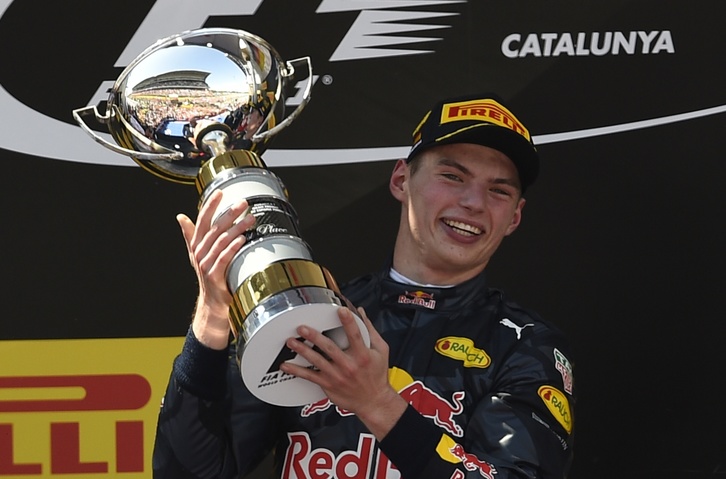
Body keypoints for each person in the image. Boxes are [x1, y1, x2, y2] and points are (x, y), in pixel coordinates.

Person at [152, 93, 576, 479]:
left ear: (515, 218)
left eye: (498, 191)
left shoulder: (525, 346)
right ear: (400, 180)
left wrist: (378, 404)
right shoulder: (315, 313)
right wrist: (211, 318)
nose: (473, 203)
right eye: (452, 176)